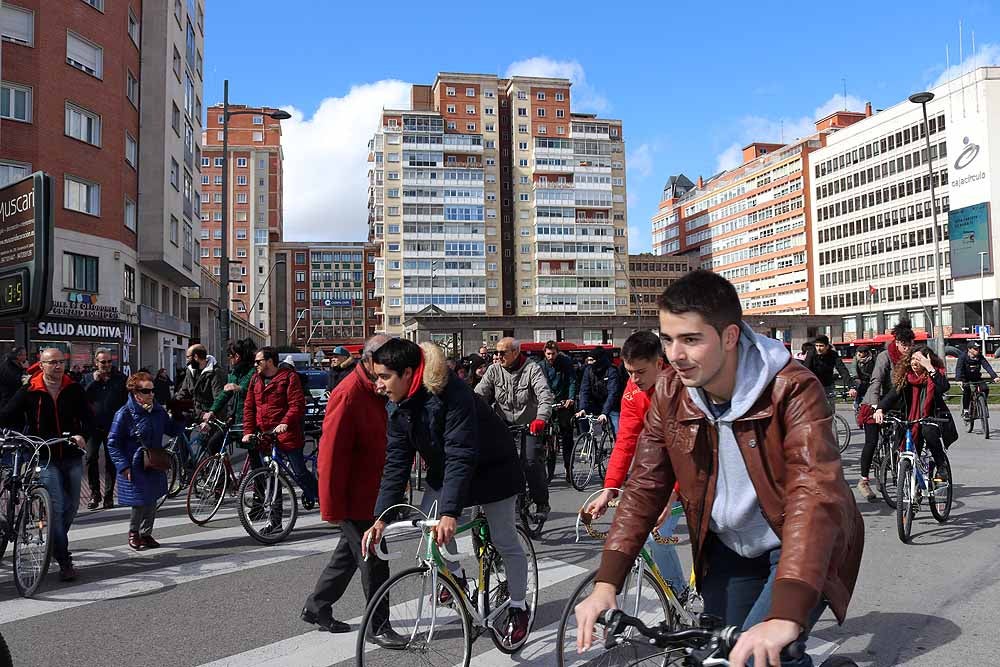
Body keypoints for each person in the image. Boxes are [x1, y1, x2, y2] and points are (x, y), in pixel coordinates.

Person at [574, 270, 863, 667]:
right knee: (719, 657)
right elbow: (644, 485)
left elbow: (814, 494)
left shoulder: (791, 386)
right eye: (669, 340)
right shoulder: (671, 393)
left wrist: (786, 612)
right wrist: (607, 582)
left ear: (729, 337)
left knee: (761, 653)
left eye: (691, 339)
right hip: (728, 547)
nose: (675, 355)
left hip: (795, 543)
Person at [362, 339, 531, 643]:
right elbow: (396, 463)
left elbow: (461, 452)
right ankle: (456, 579)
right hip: (447, 472)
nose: (379, 385)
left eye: (384, 376)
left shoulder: (452, 393)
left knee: (504, 539)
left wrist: (450, 512)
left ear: (408, 372)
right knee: (429, 528)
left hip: (493, 470)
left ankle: (519, 606)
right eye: (376, 377)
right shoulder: (398, 406)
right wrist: (381, 518)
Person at [301, 335, 405, 648]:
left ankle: (316, 607)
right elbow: (330, 456)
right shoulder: (349, 393)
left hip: (372, 492)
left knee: (348, 556)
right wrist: (331, 507)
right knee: (375, 560)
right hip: (355, 497)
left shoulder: (374, 389)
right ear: (371, 361)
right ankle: (378, 625)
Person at [584, 331, 685, 594]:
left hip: (697, 468)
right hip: (662, 466)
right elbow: (626, 441)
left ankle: (687, 595)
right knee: (653, 536)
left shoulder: (681, 387)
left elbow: (686, 450)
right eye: (628, 372)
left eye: (640, 372)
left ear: (659, 364)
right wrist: (610, 488)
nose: (633, 379)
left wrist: (672, 495)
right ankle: (679, 597)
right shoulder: (632, 390)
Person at [0, 348, 91, 581]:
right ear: (41, 365)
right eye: (52, 362)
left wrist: (82, 435)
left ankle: (54, 539)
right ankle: (64, 559)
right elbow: (7, 414)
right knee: (57, 507)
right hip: (42, 455)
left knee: (71, 508)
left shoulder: (73, 388)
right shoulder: (30, 389)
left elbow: (90, 419)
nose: (58, 366)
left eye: (61, 362)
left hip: (70, 454)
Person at [475, 337, 555, 518]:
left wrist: (541, 418)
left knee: (531, 461)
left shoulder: (532, 369)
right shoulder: (494, 370)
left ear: (515, 352)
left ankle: (541, 502)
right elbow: (479, 394)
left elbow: (545, 394)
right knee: (494, 460)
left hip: (530, 424)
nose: (498, 356)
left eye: (502, 353)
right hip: (503, 424)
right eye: (496, 353)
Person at [242, 346, 318, 530]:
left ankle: (323, 499)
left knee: (299, 472)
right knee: (272, 478)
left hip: (287, 434)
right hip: (265, 437)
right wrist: (248, 431)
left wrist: (284, 423)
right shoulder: (255, 380)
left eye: (258, 361)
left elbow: (297, 405)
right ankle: (275, 523)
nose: (255, 365)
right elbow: (249, 407)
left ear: (270, 361)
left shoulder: (289, 378)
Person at [106, 372, 183, 550]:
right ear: (135, 393)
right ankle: (134, 533)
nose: (151, 394)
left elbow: (171, 430)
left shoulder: (157, 410)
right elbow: (113, 443)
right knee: (139, 501)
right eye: (146, 391)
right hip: (135, 464)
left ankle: (146, 534)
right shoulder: (124, 413)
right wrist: (123, 467)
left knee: (153, 498)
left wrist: (179, 416)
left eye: (152, 390)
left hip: (153, 460)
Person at [857, 320, 915, 502]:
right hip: (875, 402)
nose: (906, 348)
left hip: (897, 404)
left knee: (903, 437)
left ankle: (899, 467)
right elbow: (876, 382)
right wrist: (876, 407)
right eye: (904, 345)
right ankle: (864, 480)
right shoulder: (885, 356)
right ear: (896, 342)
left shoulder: (913, 356)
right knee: (872, 441)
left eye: (909, 345)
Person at [873, 346, 952, 474]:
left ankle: (941, 465)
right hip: (911, 420)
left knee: (928, 432)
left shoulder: (934, 375)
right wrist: (880, 409)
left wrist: (929, 367)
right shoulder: (907, 377)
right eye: (913, 358)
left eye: (919, 359)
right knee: (908, 443)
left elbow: (944, 387)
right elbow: (893, 394)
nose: (914, 362)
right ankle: (912, 481)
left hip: (931, 418)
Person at [83, 348, 129, 510]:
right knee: (90, 458)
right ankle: (95, 494)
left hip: (113, 427)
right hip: (93, 427)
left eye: (109, 361)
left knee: (111, 462)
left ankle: (108, 496)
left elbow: (126, 403)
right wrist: (92, 382)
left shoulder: (120, 379)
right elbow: (81, 398)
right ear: (96, 363)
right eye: (103, 362)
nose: (107, 365)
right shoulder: (88, 378)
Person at [175, 344, 227, 463]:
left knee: (211, 445)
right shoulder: (190, 370)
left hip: (211, 413)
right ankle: (184, 466)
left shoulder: (215, 372)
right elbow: (184, 391)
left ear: (196, 357)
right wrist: (172, 407)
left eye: (188, 357)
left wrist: (209, 420)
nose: (187, 360)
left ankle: (215, 471)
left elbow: (219, 398)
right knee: (180, 433)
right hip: (195, 411)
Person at [540, 340, 578, 483]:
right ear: (544, 353)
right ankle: (548, 469)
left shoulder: (565, 363)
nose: (551, 357)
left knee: (567, 436)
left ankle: (569, 468)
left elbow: (572, 381)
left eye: (553, 354)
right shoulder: (541, 366)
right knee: (545, 437)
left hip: (563, 403)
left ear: (557, 353)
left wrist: (570, 398)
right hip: (548, 403)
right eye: (548, 354)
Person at [204, 339, 257, 428]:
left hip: (249, 420)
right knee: (212, 441)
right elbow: (225, 394)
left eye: (229, 356)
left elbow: (253, 393)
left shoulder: (253, 372)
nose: (228, 359)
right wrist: (212, 411)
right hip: (235, 419)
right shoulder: (235, 373)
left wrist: (239, 388)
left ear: (236, 356)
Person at [575, 346, 623, 434]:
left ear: (599, 360)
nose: (589, 363)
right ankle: (590, 442)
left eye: (592, 360)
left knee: (617, 430)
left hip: (612, 405)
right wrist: (583, 408)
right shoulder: (588, 370)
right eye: (588, 360)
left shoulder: (611, 371)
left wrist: (604, 413)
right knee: (583, 419)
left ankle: (619, 446)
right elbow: (584, 390)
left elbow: (612, 393)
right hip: (595, 403)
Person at [955, 341, 1000, 417]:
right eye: (975, 349)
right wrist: (958, 380)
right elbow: (958, 368)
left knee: (985, 388)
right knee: (967, 391)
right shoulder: (962, 357)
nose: (977, 350)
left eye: (978, 348)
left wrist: (995, 377)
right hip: (964, 378)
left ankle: (982, 403)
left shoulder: (980, 357)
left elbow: (987, 367)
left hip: (976, 377)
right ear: (969, 349)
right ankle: (965, 410)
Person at [803, 335, 853, 400]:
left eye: (821, 346)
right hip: (813, 384)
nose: (818, 348)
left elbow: (842, 369)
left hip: (827, 384)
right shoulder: (811, 353)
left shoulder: (833, 355)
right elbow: (806, 369)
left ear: (827, 346)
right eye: (816, 346)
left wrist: (851, 386)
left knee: (829, 407)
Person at [852, 346, 875, 413]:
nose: (859, 354)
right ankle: (856, 402)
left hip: (869, 379)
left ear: (866, 353)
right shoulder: (856, 358)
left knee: (870, 393)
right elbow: (853, 368)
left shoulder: (872, 358)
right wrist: (856, 377)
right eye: (859, 352)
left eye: (861, 352)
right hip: (860, 379)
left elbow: (875, 368)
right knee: (859, 390)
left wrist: (873, 377)